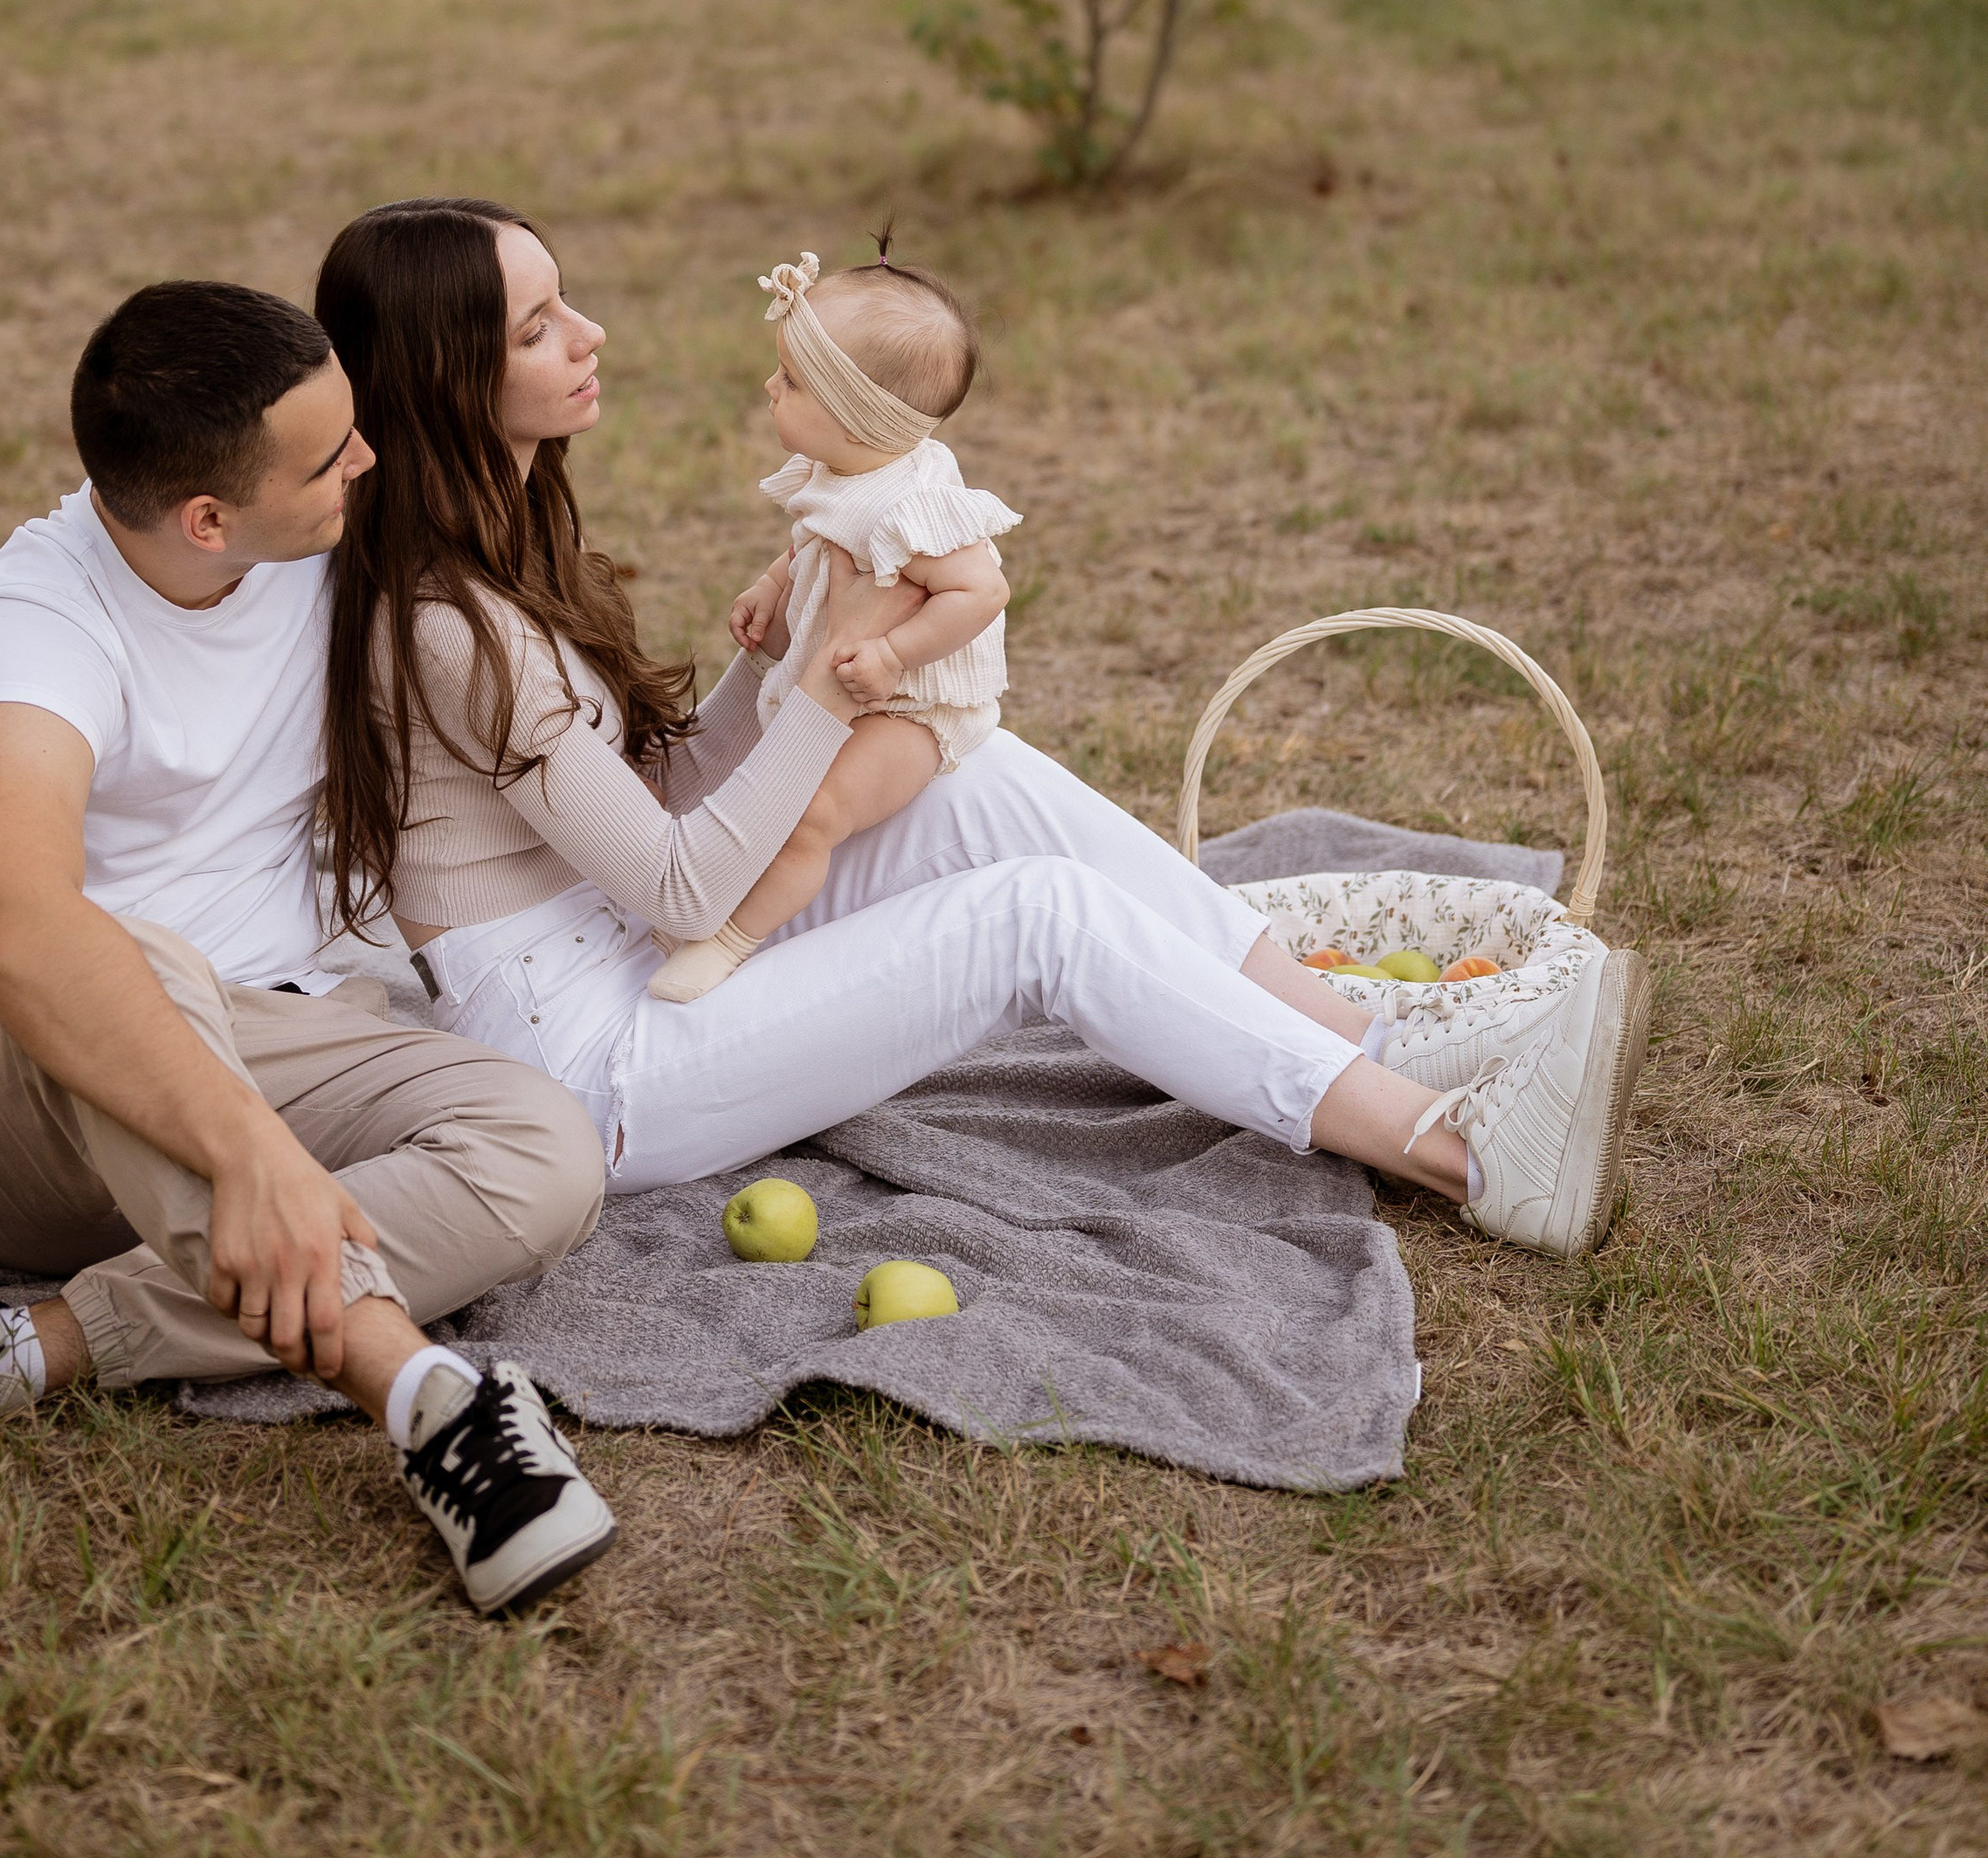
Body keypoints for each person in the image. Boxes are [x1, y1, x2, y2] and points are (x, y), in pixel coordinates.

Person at [314, 197, 1646, 1263]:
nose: (591, 331)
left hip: (631, 939)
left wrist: (776, 665)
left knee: (967, 769)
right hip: (597, 1065)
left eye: (566, 301)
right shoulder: (444, 623)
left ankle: (1364, 1045)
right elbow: (681, 888)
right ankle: (1464, 1156)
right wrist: (828, 689)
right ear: (449, 377)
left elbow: (650, 798)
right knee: (1037, 917)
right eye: (540, 326)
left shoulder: (503, 538)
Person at [0, 281, 618, 1620]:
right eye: (331, 455)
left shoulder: (310, 532)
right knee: (128, 952)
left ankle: (24, 1348)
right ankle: (430, 1402)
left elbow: (497, 439)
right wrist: (249, 1154)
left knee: (548, 1149)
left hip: (276, 1027)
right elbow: (14, 922)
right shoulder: (31, 637)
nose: (368, 460)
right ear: (207, 519)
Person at [645, 245, 1018, 1004]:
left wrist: (895, 653)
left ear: (853, 418)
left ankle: (731, 938)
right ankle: (719, 896)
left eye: (790, 380)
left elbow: (982, 592)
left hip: (916, 711)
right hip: (852, 684)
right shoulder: (845, 472)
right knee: (766, 787)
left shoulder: (911, 507)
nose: (769, 386)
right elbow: (814, 537)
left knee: (812, 813)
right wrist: (772, 583)